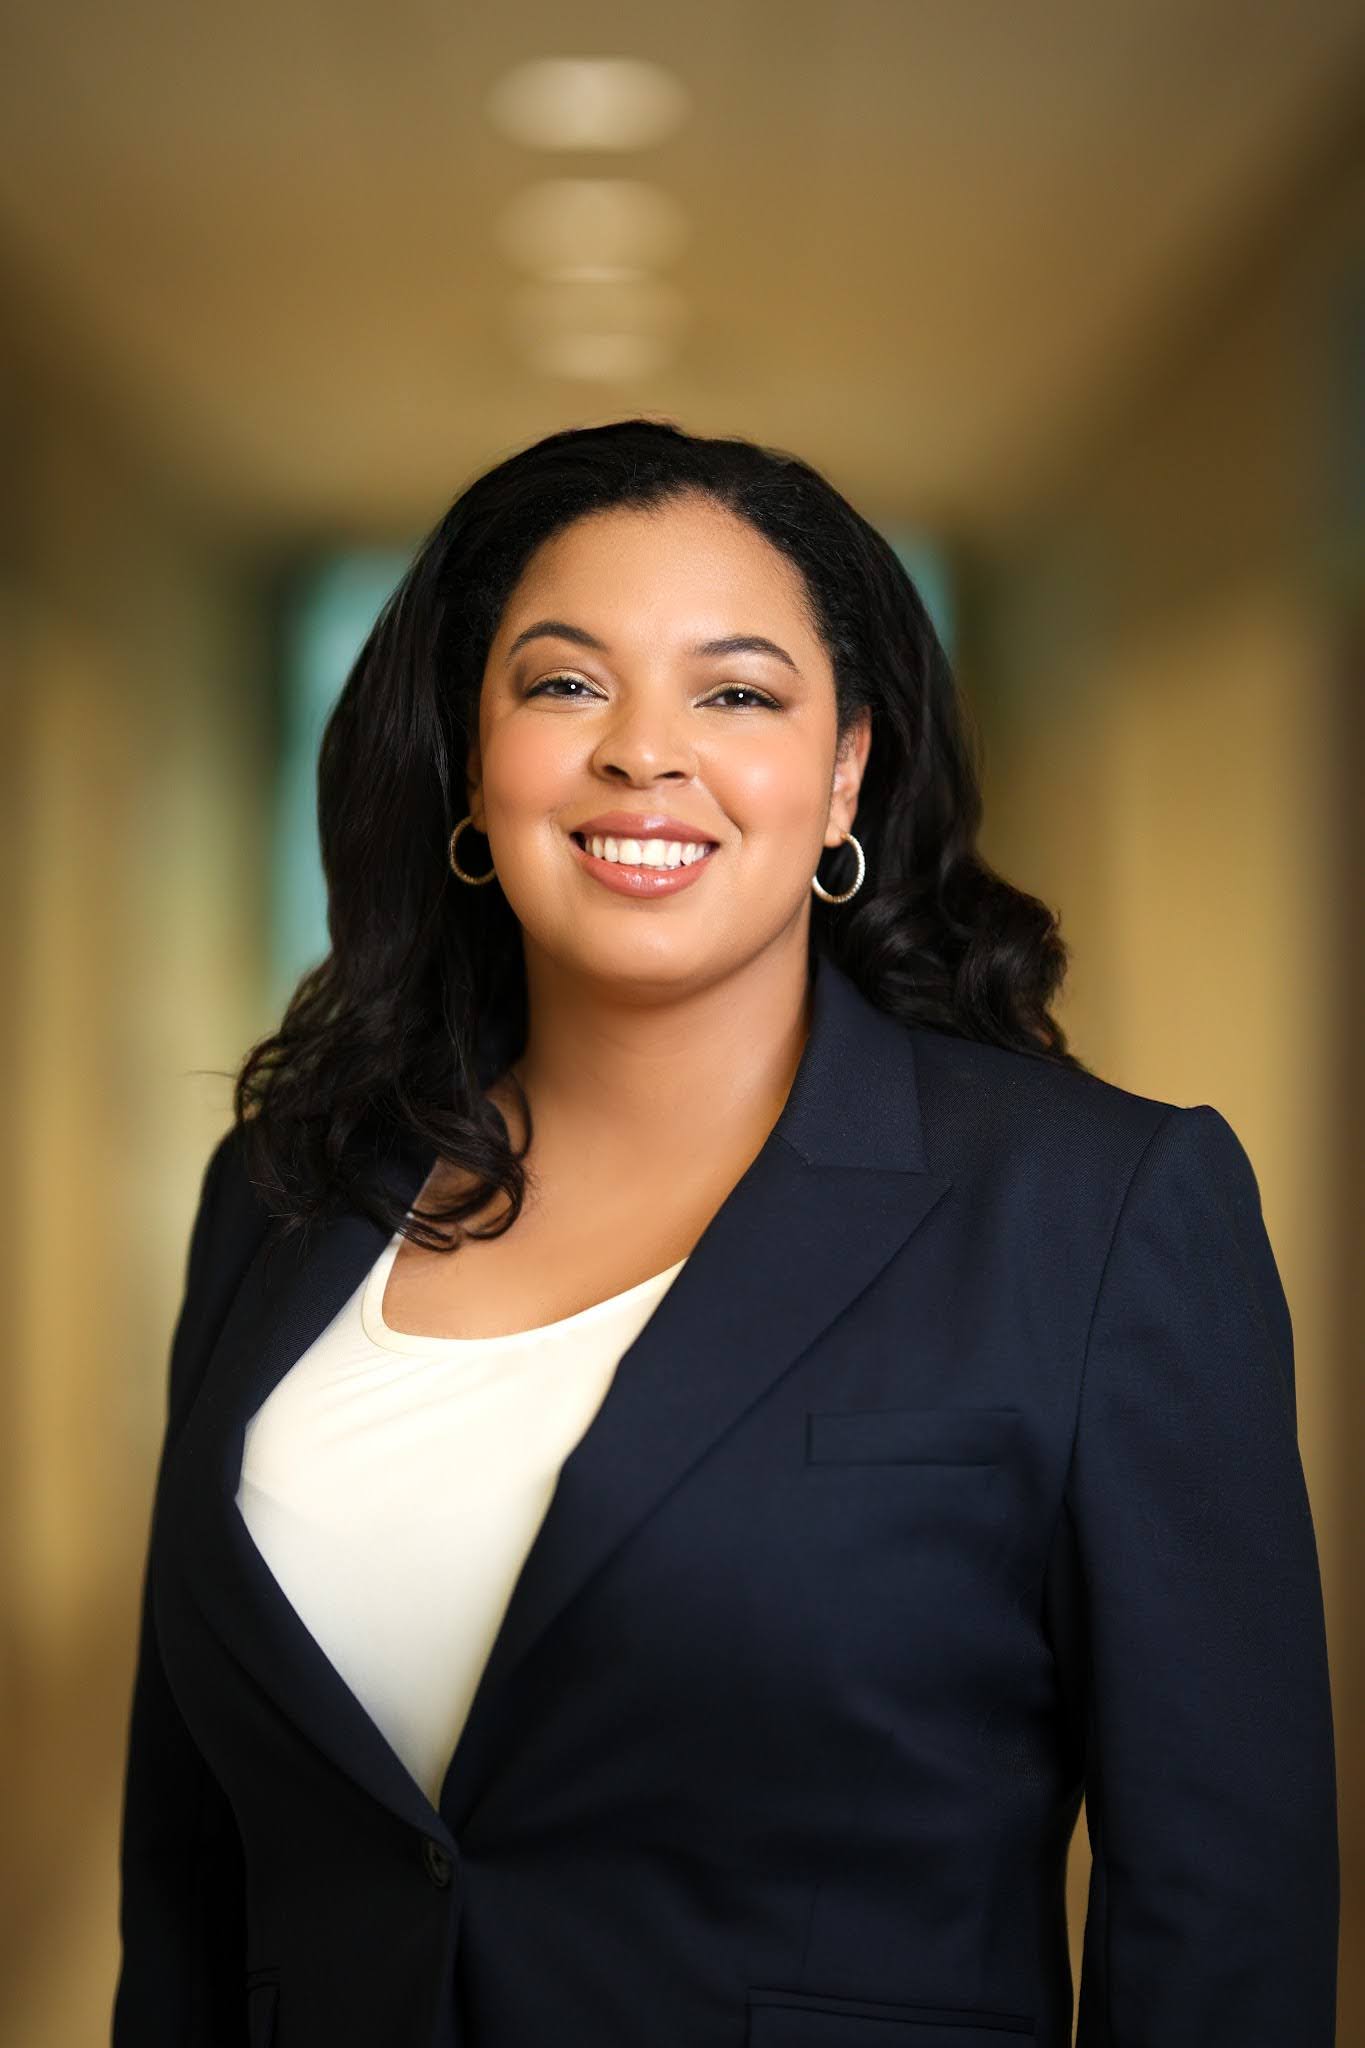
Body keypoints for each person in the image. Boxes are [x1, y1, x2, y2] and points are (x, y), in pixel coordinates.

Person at [111, 418, 1338, 2048]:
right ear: (471, 758)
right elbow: (189, 1871)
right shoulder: (283, 1189)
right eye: (564, 684)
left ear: (844, 772)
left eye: (737, 694)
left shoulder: (1094, 1212)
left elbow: (1222, 1905)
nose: (643, 753)